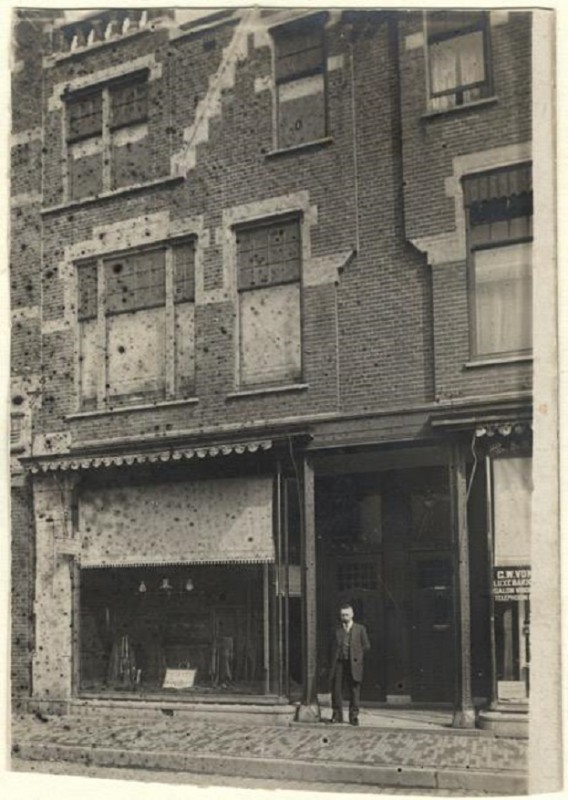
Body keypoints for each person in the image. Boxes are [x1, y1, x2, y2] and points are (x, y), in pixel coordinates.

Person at [329, 603, 370, 725]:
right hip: (339, 664)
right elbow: (330, 647)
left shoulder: (360, 629)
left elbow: (366, 645)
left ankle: (354, 717)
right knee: (336, 690)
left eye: (346, 615)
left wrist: (357, 656)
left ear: (352, 615)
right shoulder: (336, 630)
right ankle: (337, 715)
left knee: (354, 691)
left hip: (354, 664)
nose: (344, 617)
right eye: (342, 615)